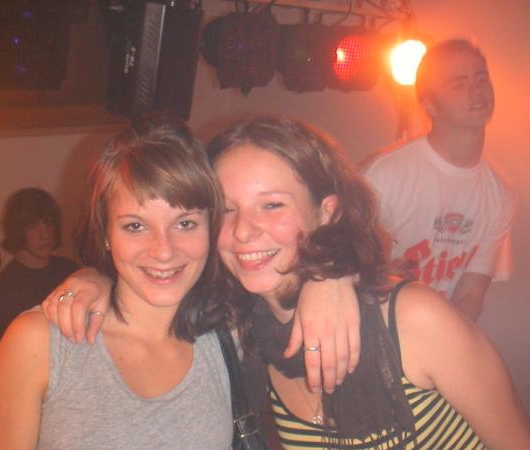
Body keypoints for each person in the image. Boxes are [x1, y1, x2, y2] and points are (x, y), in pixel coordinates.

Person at [43, 116, 530, 449]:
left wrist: (330, 276)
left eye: (272, 205)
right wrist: (97, 277)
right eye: (226, 210)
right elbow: (157, 275)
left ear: (326, 211)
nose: (243, 231)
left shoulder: (414, 320)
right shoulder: (242, 337)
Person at [0, 118, 234, 449]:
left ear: (211, 227)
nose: (164, 251)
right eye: (135, 226)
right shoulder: (39, 343)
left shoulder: (228, 336)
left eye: (185, 223)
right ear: (106, 233)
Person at [362, 39, 516, 321]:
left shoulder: (499, 193)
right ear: (430, 106)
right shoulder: (384, 176)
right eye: (459, 84)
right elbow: (355, 277)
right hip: (374, 328)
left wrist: (446, 343)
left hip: (435, 333)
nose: (477, 89)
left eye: (481, 78)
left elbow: (470, 296)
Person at [0, 187, 78, 352]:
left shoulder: (70, 271)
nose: (44, 235)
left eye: (48, 224)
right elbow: (0, 357)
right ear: (17, 230)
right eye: (33, 227)